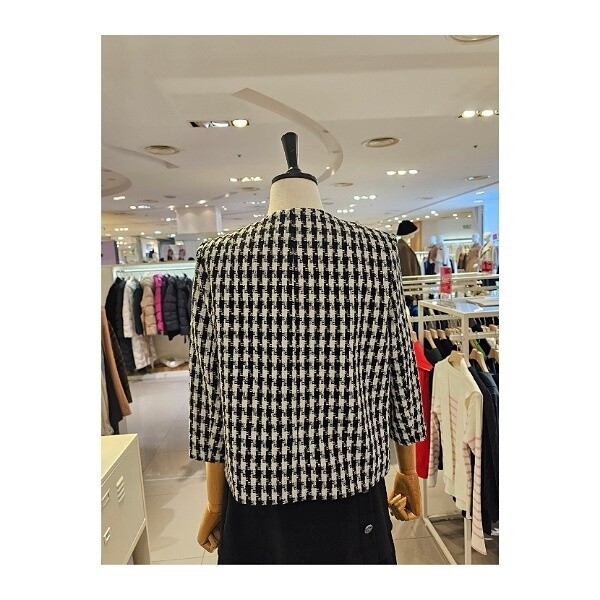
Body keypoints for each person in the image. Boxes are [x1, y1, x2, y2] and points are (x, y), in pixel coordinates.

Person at [189, 132, 425, 565]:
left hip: (257, 481)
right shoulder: (375, 250)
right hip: (353, 476)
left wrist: (214, 500)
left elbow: (209, 389)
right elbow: (400, 367)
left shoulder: (219, 257)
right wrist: (407, 468)